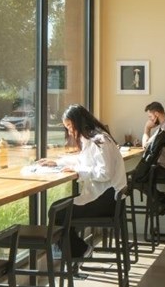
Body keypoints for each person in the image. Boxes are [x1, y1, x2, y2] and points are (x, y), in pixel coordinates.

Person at [39, 104, 126, 259]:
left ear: (78, 122)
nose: (69, 131)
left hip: (106, 200)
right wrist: (57, 162)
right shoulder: (93, 138)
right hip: (106, 196)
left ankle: (77, 251)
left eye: (69, 126)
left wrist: (79, 172)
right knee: (58, 209)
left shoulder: (99, 140)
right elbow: (83, 160)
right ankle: (73, 251)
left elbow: (105, 173)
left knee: (57, 211)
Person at [138, 101, 165, 212]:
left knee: (137, 178)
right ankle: (161, 200)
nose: (150, 120)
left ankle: (162, 200)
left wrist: (147, 128)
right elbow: (149, 144)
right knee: (138, 176)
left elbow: (147, 148)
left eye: (150, 117)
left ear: (156, 114)